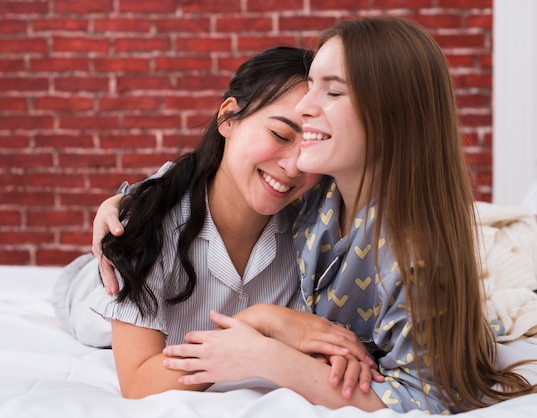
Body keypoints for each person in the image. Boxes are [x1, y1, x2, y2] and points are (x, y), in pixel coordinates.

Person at [97, 17, 537, 413]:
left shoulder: (327, 198)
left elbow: (421, 391)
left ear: (391, 116)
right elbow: (137, 380)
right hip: (103, 281)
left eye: (331, 91)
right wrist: (123, 204)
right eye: (310, 87)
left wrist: (278, 353)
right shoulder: (307, 187)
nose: (306, 109)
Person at [51, 46, 380, 400]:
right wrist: (261, 322)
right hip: (94, 287)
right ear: (228, 118)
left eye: (311, 146)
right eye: (281, 136)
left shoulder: (314, 226)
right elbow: (139, 382)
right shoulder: (154, 228)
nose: (294, 166)